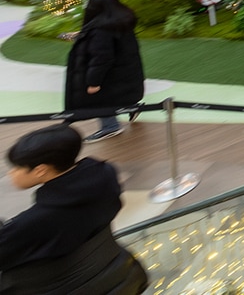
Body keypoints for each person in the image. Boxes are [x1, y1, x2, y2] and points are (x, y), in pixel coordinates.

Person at [0, 124, 148, 294]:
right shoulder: (105, 177)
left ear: (40, 170)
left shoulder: (39, 220)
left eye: (17, 167)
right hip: (114, 275)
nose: (11, 173)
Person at [63, 0, 144, 143]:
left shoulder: (101, 30)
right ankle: (132, 107)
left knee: (100, 99)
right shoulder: (120, 21)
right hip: (124, 70)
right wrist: (84, 34)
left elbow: (102, 58)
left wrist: (94, 81)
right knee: (120, 92)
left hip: (109, 74)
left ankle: (110, 126)